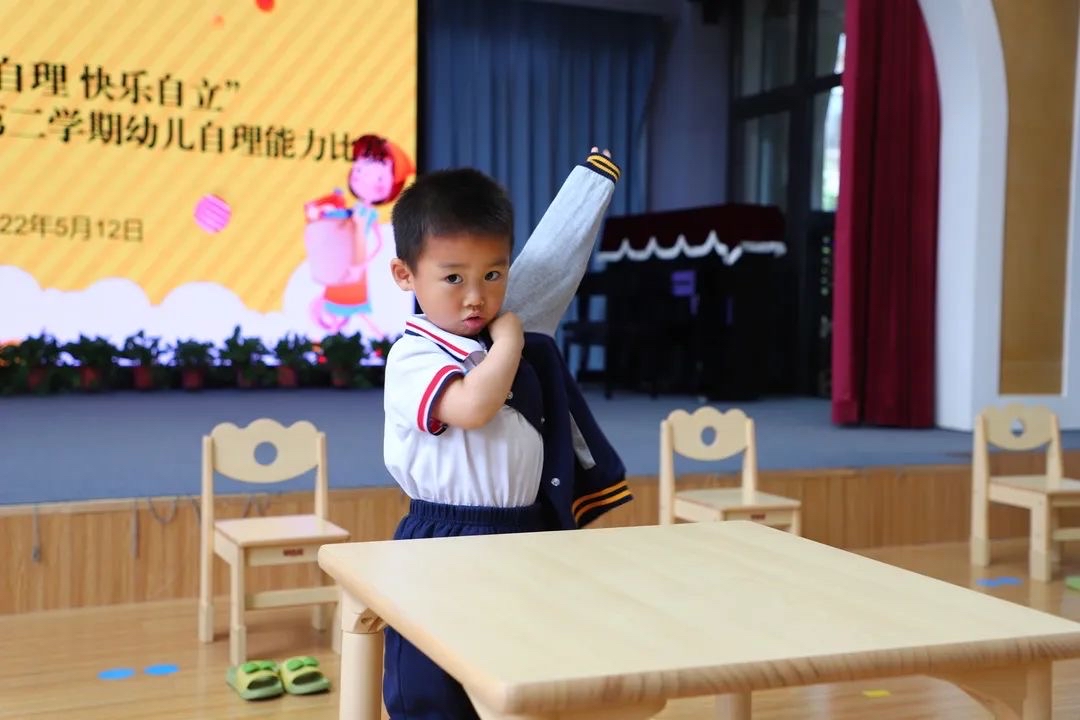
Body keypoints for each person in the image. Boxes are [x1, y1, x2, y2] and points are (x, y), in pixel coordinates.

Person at [381, 148, 630, 719]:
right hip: (446, 534)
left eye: (493, 275)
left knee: (526, 669)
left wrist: (589, 187)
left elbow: (552, 266)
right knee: (434, 682)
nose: (476, 296)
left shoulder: (489, 336)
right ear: (405, 275)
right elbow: (471, 407)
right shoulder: (414, 356)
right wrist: (513, 340)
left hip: (525, 531)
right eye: (453, 278)